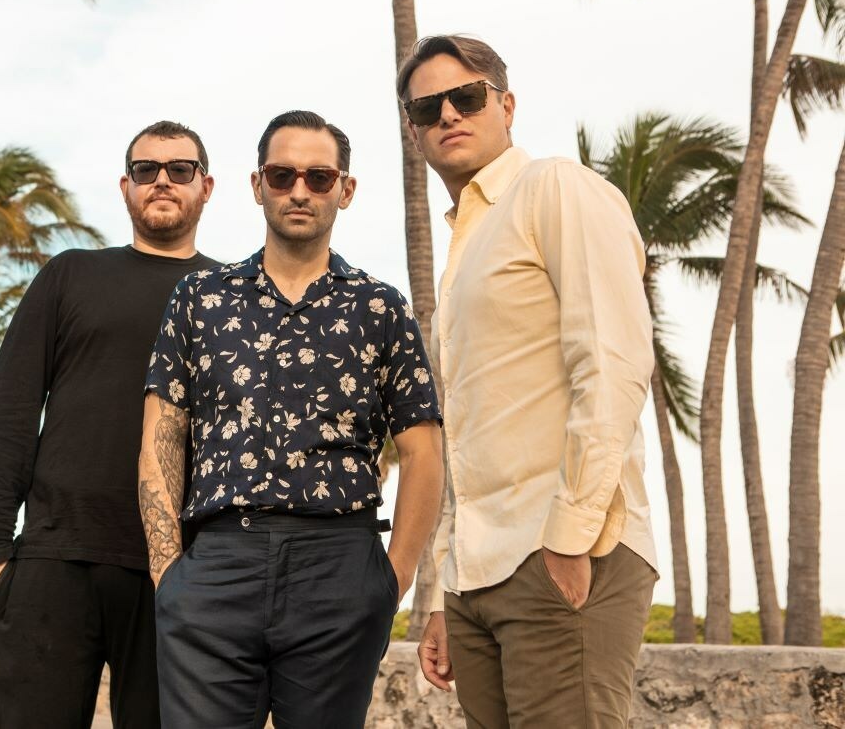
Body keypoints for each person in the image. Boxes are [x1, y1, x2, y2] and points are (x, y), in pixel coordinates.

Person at [141, 110, 445, 729]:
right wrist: (168, 575)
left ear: (345, 189)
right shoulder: (200, 299)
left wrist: (392, 579)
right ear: (258, 186)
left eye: (319, 177)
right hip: (216, 567)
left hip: (340, 568)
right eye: (282, 176)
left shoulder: (381, 307)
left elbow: (423, 452)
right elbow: (160, 439)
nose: (299, 190)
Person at [398, 35, 658, 728]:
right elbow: (467, 439)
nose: (448, 113)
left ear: (506, 106)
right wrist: (448, 590)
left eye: (467, 96)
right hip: (480, 578)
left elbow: (611, 360)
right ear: (414, 131)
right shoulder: (463, 253)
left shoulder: (554, 188)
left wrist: (570, 538)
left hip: (563, 552)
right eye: (427, 107)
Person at [0, 120, 219, 729]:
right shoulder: (70, 274)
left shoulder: (229, 296)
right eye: (145, 170)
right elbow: (9, 409)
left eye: (180, 169)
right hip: (53, 564)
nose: (162, 181)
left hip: (178, 574)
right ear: (125, 186)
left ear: (206, 186)